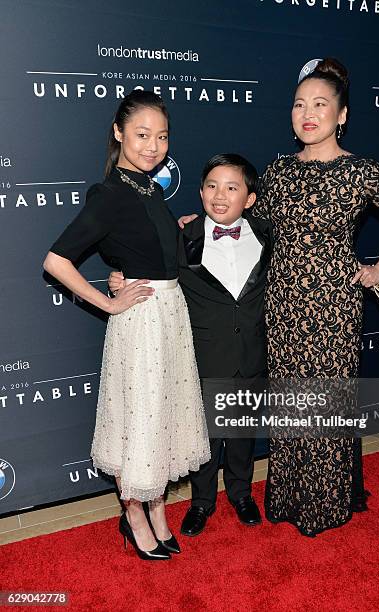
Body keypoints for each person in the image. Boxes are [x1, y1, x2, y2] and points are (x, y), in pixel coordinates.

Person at [251, 58, 379, 536]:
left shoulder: (359, 171)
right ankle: (288, 498)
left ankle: (325, 505)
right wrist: (197, 224)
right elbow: (251, 227)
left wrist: (378, 269)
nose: (308, 113)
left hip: (333, 307)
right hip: (283, 302)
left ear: (342, 114)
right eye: (299, 104)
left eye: (320, 104)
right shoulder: (278, 170)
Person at [43, 90, 210, 559]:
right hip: (140, 324)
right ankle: (134, 513)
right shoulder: (111, 192)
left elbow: (144, 248)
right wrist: (109, 303)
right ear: (118, 134)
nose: (153, 146)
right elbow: (56, 260)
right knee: (138, 420)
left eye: (161, 137)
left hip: (170, 316)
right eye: (141, 135)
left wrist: (173, 233)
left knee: (161, 418)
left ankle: (157, 507)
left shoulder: (149, 187)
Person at [110, 154, 273, 536]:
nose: (220, 196)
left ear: (249, 198)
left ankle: (241, 494)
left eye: (232, 188)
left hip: (252, 353)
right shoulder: (184, 237)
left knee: (241, 433)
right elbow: (150, 267)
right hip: (200, 355)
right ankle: (202, 502)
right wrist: (120, 279)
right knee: (203, 436)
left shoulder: (269, 234)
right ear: (200, 193)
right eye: (212, 186)